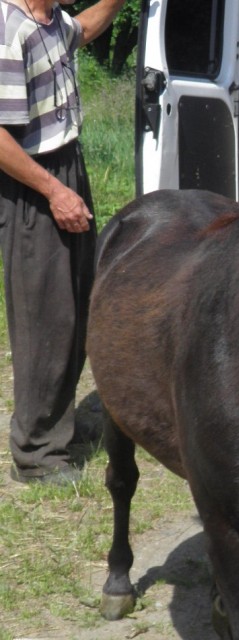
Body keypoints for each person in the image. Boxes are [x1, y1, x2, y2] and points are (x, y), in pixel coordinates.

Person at [0, 0, 125, 485]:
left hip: (65, 165)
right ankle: (35, 454)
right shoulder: (10, 29)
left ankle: (58, 424)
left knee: (77, 302)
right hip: (34, 183)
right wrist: (54, 191)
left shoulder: (50, 19)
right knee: (45, 317)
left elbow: (87, 27)